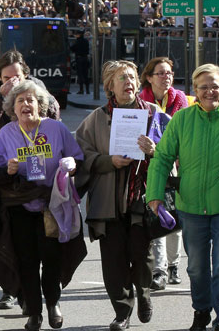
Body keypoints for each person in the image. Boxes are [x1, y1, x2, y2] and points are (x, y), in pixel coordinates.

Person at [75, 60, 165, 331]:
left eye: (132, 77)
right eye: (121, 78)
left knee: (142, 255)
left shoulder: (153, 113)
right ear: (109, 86)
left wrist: (155, 149)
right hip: (108, 201)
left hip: (142, 198)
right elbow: (81, 153)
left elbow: (173, 150)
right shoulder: (97, 117)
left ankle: (144, 294)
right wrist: (107, 161)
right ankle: (122, 312)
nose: (128, 82)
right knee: (113, 261)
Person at [0, 80, 85, 331]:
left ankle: (53, 303)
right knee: (27, 261)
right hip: (20, 207)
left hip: (51, 204)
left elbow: (77, 158)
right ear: (13, 107)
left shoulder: (56, 129)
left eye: (31, 99)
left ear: (40, 105)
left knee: (51, 257)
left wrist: (71, 165)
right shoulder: (6, 134)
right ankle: (34, 313)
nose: (25, 104)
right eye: (20, 100)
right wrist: (7, 170)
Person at [149, 64, 219, 331]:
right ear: (195, 91)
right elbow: (162, 157)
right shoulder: (182, 120)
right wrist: (154, 195)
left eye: (215, 86)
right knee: (197, 268)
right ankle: (201, 311)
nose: (210, 91)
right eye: (203, 87)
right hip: (191, 206)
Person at [138, 57, 188, 291]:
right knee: (158, 212)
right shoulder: (142, 102)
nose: (167, 77)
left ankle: (174, 265)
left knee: (175, 214)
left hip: (175, 163)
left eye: (169, 73)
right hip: (150, 166)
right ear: (149, 77)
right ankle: (159, 269)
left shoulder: (180, 99)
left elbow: (185, 133)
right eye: (161, 73)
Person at [0, 50, 60, 129]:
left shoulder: (37, 88)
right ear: (0, 78)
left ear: (25, 75)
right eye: (7, 78)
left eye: (17, 78)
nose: (13, 83)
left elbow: (53, 117)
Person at [71, 30, 90, 94]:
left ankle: (81, 90)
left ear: (79, 35)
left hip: (79, 59)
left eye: (76, 34)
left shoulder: (77, 42)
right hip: (85, 58)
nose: (75, 35)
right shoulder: (86, 41)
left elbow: (72, 49)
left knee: (80, 74)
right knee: (86, 74)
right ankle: (87, 90)